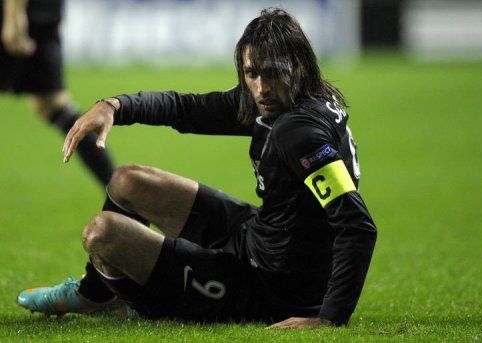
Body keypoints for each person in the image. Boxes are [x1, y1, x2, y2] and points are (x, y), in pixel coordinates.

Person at [17, 8, 377, 328]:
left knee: (102, 233)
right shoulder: (289, 99)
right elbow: (184, 108)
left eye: (272, 74)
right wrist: (114, 106)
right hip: (260, 237)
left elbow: (356, 224)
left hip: (272, 287)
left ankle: (141, 300)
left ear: (297, 67)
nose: (261, 87)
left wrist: (328, 319)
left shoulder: (299, 133)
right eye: (252, 74)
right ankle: (96, 294)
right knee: (127, 180)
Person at [1, 0, 114, 186]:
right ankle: (121, 197)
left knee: (52, 105)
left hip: (26, 10)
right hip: (40, 11)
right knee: (52, 105)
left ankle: (121, 196)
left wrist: (14, 13)